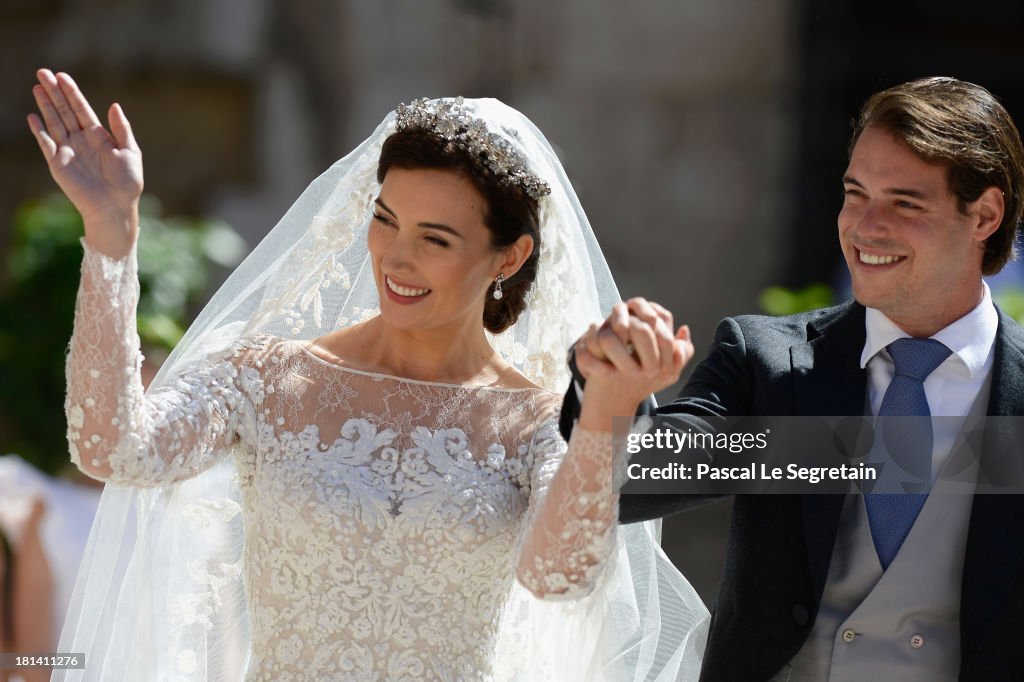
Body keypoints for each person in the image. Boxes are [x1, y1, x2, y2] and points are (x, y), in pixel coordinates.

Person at [27, 69, 709, 680]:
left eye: (435, 240)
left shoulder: (535, 419)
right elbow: (113, 449)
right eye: (385, 222)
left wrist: (606, 414)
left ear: (510, 257)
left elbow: (558, 577)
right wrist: (110, 237)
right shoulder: (265, 375)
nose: (395, 258)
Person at [563, 76, 1024, 681]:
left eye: (904, 203)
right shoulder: (770, 364)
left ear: (985, 215)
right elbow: (628, 481)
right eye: (855, 193)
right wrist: (607, 387)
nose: (864, 227)